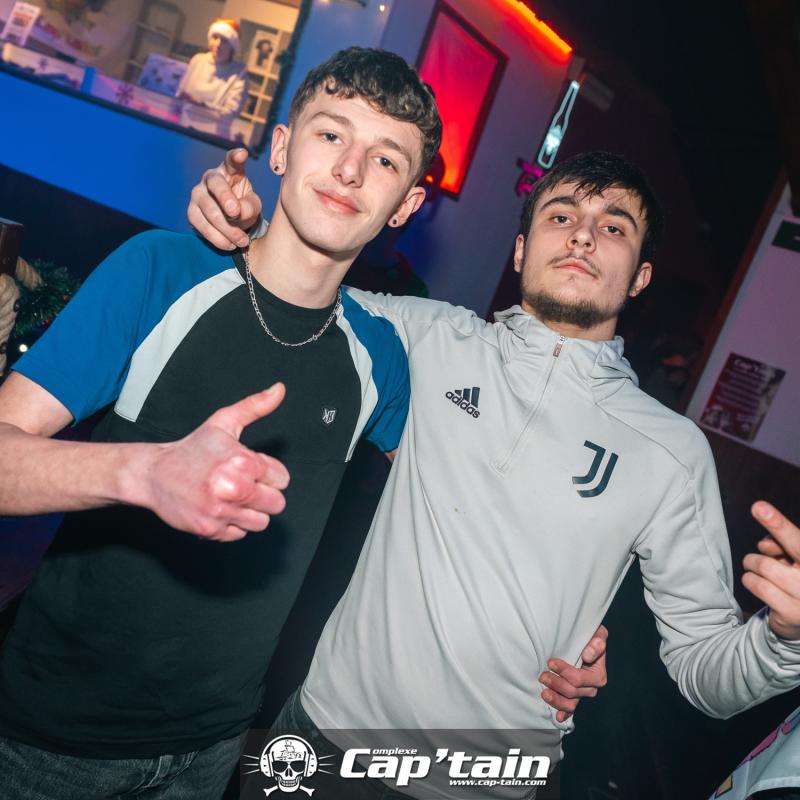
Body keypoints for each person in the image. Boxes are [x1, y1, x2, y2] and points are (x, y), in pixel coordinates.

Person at [0, 48, 599, 800]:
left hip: (217, 746)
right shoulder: (162, 272)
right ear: (281, 148)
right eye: (331, 134)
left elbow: (463, 515)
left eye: (385, 159)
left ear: (406, 205)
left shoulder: (379, 356)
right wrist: (142, 472)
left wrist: (564, 626)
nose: (349, 170)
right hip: (53, 739)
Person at [190, 148, 800, 799]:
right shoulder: (428, 337)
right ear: (519, 251)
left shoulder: (670, 452)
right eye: (561, 216)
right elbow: (295, 293)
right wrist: (245, 230)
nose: (583, 236)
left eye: (613, 226)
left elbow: (707, 674)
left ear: (640, 277)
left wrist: (783, 641)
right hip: (323, 736)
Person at [177, 18, 248, 120]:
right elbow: (180, 91)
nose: (218, 44)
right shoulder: (198, 60)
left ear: (232, 47)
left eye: (224, 41)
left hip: (211, 127)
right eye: (215, 37)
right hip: (182, 121)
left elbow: (232, 111)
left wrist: (200, 106)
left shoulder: (239, 73)